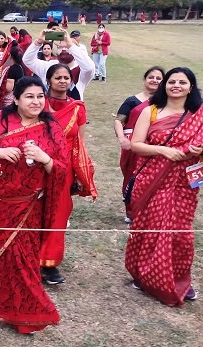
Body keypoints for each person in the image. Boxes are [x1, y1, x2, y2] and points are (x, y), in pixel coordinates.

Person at [0, 76, 65, 334]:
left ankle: (25, 310)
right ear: (16, 99)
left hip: (31, 206)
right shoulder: (0, 119)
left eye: (40, 96)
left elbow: (63, 170)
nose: (36, 101)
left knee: (24, 259)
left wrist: (45, 158)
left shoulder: (52, 127)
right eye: (29, 96)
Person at [126, 67, 203, 305]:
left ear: (191, 87)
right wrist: (164, 150)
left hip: (183, 183)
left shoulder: (198, 115)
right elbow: (135, 144)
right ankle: (144, 274)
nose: (176, 85)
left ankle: (178, 278)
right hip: (152, 179)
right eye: (172, 81)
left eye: (182, 82)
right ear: (164, 86)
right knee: (151, 225)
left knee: (180, 231)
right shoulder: (151, 111)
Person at [38, 63, 96, 285]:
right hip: (37, 165)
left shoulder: (77, 108)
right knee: (35, 211)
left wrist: (82, 171)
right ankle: (29, 257)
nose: (62, 81)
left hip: (64, 169)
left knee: (58, 214)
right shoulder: (37, 104)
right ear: (49, 81)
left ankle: (49, 264)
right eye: (57, 77)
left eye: (66, 78)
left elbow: (79, 143)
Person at [114, 66, 164, 224]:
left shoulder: (165, 103)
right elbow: (119, 120)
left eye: (158, 78)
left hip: (153, 146)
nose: (154, 80)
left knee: (153, 178)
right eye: (151, 77)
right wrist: (122, 138)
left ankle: (150, 211)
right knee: (132, 177)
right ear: (145, 79)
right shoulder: (132, 100)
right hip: (132, 146)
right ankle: (131, 211)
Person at [23, 30, 95, 101]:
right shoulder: (49, 66)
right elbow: (27, 60)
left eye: (67, 47)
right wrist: (38, 42)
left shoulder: (80, 70)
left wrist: (71, 46)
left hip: (73, 110)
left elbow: (89, 68)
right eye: (60, 47)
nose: (64, 49)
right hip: (49, 110)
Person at [0, 46, 25, 115]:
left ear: (10, 55)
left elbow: (8, 88)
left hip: (9, 102)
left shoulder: (12, 69)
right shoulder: (20, 67)